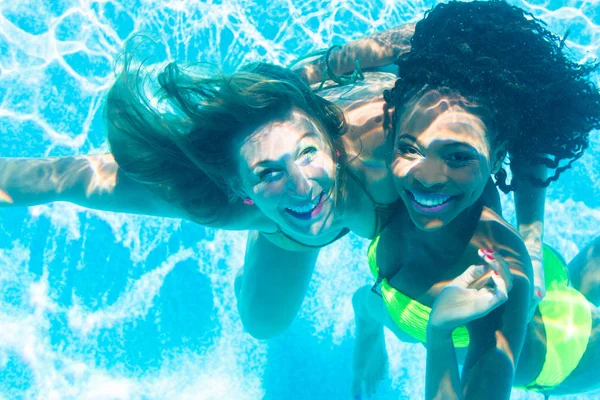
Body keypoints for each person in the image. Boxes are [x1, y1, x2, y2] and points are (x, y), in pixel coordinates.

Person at [0, 0, 595, 339]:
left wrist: (534, 231)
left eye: (307, 155)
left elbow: (522, 117)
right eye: (268, 173)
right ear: (240, 186)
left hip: (343, 117)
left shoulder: (401, 150)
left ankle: (375, 307)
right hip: (274, 221)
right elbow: (62, 180)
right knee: (263, 325)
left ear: (330, 143)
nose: (303, 187)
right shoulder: (219, 199)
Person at [350, 1, 600, 399]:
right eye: (411, 148)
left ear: (498, 156)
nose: (427, 177)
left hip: (567, 347)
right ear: (393, 129)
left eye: (458, 156)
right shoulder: (399, 177)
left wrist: (439, 334)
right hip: (536, 277)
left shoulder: (496, 278)